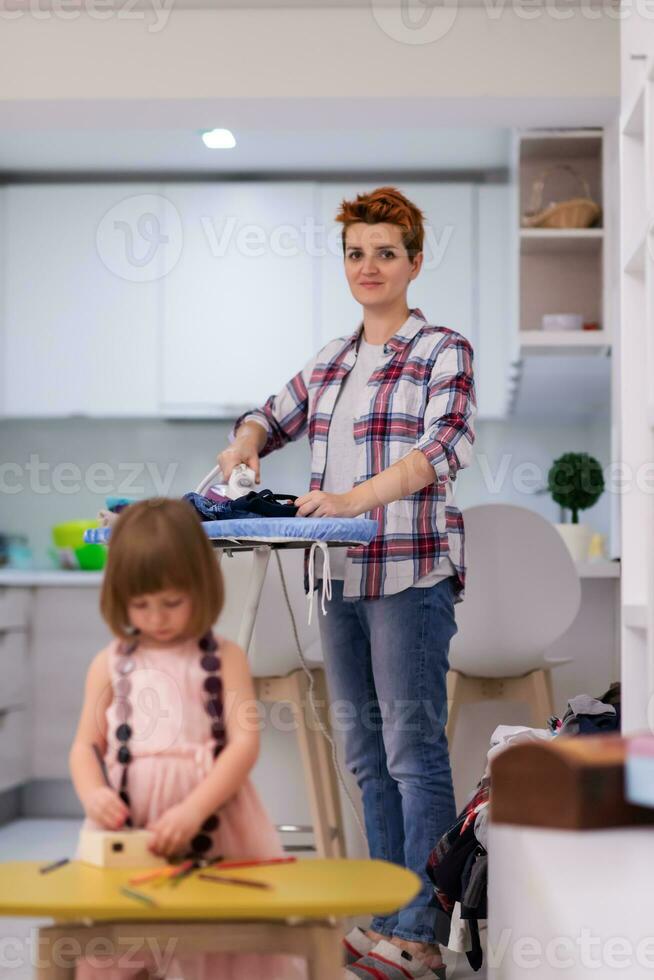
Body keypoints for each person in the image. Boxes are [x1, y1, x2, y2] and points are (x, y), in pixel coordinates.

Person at [219, 186, 476, 980]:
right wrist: (247, 445)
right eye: (356, 253)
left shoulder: (442, 351)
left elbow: (444, 448)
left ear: (414, 261)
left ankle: (421, 938)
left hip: (407, 572)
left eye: (385, 253)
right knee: (365, 756)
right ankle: (380, 917)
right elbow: (269, 412)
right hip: (335, 578)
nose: (369, 267)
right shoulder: (332, 360)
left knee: (412, 754)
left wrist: (354, 500)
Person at [69, 497, 304, 980]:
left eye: (172, 602)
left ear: (201, 587)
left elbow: (243, 746)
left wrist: (194, 809)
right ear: (120, 599)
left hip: (215, 822)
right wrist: (93, 793)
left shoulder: (225, 658)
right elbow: (85, 747)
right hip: (129, 827)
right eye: (141, 604)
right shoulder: (110, 663)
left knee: (226, 948)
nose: (157, 617)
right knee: (111, 947)